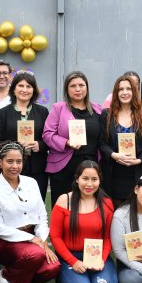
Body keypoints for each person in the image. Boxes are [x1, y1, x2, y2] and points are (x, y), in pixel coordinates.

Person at [0, 141, 59, 283]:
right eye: (9, 161)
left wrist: (43, 240)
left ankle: (18, 276)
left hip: (34, 239)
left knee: (54, 267)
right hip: (3, 240)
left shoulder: (31, 183)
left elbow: (41, 216)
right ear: (0, 162)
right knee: (36, 254)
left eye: (18, 161)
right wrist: (33, 239)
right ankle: (5, 277)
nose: (14, 166)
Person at [49, 161, 117, 283]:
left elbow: (108, 237)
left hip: (96, 256)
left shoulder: (106, 203)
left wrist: (102, 259)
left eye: (94, 179)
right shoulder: (64, 200)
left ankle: (88, 279)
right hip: (70, 256)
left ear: (100, 181)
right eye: (85, 178)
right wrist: (73, 262)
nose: (89, 184)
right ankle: (64, 278)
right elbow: (55, 237)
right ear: (77, 179)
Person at [99, 74, 142, 208]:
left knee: (137, 213)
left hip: (138, 172)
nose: (125, 92)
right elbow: (102, 142)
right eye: (121, 89)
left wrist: (139, 160)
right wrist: (114, 155)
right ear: (116, 92)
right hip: (114, 174)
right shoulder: (106, 115)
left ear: (134, 91)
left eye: (128, 89)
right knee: (116, 213)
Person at [44, 71, 102, 200]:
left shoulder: (98, 110)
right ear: (66, 89)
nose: (77, 89)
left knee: (88, 207)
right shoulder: (58, 108)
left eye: (81, 85)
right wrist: (66, 142)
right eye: (73, 86)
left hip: (91, 167)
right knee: (64, 206)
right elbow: (48, 134)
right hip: (64, 168)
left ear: (87, 88)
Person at [0, 71, 49, 198]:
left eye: (29, 86)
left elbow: (49, 137)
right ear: (14, 89)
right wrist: (13, 146)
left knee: (35, 203)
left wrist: (40, 145)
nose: (24, 90)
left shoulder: (43, 112)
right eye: (20, 86)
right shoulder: (3, 113)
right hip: (11, 168)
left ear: (34, 90)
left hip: (37, 167)